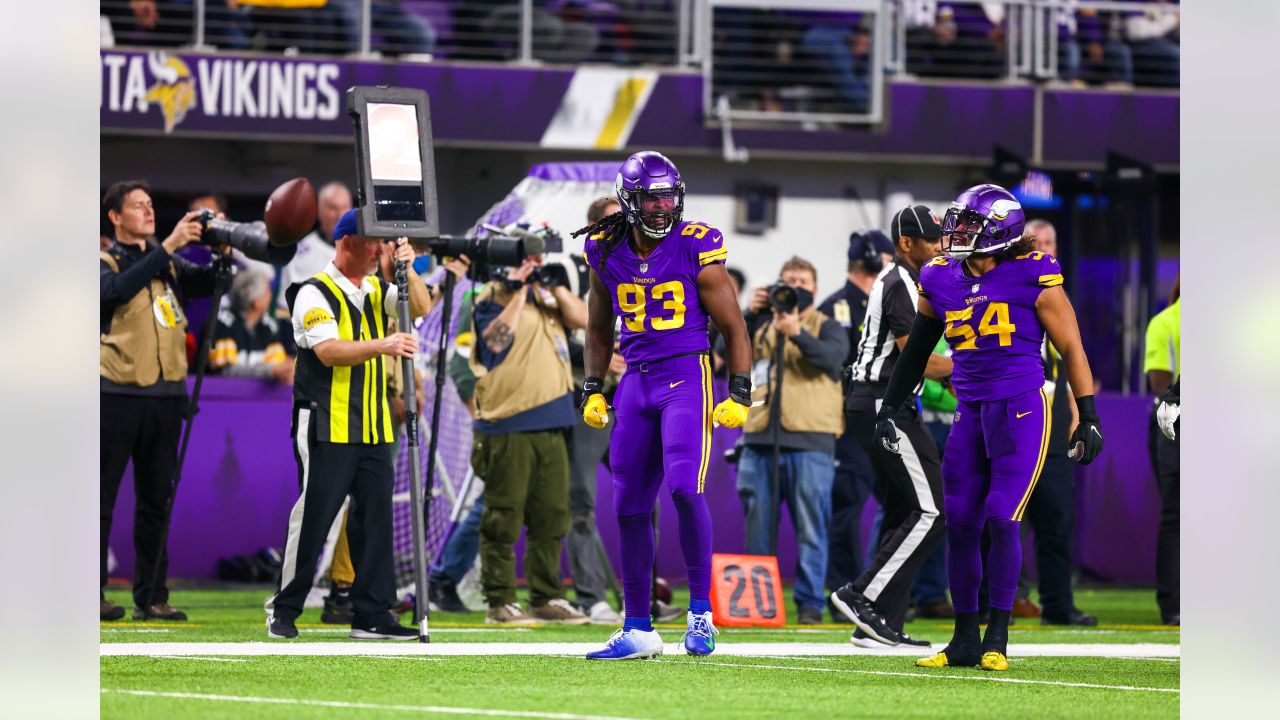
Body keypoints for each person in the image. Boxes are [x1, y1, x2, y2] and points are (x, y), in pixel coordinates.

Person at [873, 184, 1104, 671]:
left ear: (999, 231)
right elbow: (918, 348)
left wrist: (1088, 414)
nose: (954, 232)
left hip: (1021, 409)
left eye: (968, 224)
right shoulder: (939, 276)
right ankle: (962, 639)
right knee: (960, 524)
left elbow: (1072, 347)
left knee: (1002, 517)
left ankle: (997, 635)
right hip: (970, 411)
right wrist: (890, 405)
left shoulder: (1033, 271)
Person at [577, 150, 752, 659]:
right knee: (628, 504)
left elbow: (734, 327)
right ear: (629, 199)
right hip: (635, 381)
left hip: (686, 376)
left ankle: (700, 616)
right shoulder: (604, 250)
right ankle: (637, 627)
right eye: (651, 197)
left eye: (667, 196)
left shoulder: (696, 245)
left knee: (683, 489)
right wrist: (592, 387)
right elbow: (597, 325)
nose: (660, 207)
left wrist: (739, 391)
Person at [265, 210, 433, 640]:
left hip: (375, 424)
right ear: (346, 243)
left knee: (375, 519)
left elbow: (421, 305)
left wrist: (407, 267)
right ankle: (283, 607)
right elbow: (329, 351)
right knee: (316, 516)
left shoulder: (378, 287)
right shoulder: (311, 292)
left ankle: (373, 613)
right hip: (326, 421)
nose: (381, 249)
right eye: (373, 241)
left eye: (383, 242)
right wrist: (386, 344)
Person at [831, 205, 952, 650]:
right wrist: (970, 365)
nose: (941, 246)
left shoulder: (906, 280)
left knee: (906, 508)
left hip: (877, 401)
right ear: (906, 243)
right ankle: (862, 595)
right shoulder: (902, 281)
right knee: (935, 508)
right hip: (883, 401)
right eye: (932, 240)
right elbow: (914, 353)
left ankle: (878, 622)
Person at [100, 180, 214, 622]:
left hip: (166, 394)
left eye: (151, 204)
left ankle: (152, 596)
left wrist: (224, 257)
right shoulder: (103, 260)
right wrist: (166, 247)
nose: (149, 211)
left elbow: (203, 284)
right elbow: (114, 292)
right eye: (138, 206)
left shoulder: (167, 265)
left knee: (156, 501)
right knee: (101, 495)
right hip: (117, 390)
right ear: (115, 217)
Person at [469, 230, 590, 626]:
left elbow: (585, 320)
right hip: (508, 424)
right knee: (503, 516)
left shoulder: (549, 298)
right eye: (528, 261)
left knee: (552, 516)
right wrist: (519, 291)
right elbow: (494, 344)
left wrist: (550, 284)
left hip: (554, 420)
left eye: (538, 261)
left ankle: (546, 595)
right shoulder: (490, 298)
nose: (534, 268)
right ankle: (500, 600)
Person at [738, 257, 848, 625]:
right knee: (757, 527)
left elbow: (834, 359)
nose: (793, 287)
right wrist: (749, 316)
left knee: (811, 529)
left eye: (801, 282)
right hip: (759, 438)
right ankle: (756, 605)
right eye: (786, 281)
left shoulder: (827, 325)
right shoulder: (760, 325)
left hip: (811, 440)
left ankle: (809, 606)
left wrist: (797, 332)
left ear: (814, 290)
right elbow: (723, 354)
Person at [818, 230, 892, 620]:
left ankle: (877, 591)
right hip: (851, 422)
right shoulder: (837, 307)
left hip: (885, 418)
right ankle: (842, 592)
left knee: (898, 507)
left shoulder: (880, 301)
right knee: (846, 507)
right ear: (873, 257)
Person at [566, 198, 628, 625]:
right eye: (607, 222)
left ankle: (642, 593)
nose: (617, 228)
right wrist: (601, 358)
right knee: (581, 499)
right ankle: (590, 595)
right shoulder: (571, 268)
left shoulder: (645, 262)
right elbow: (568, 332)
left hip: (632, 397)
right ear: (589, 226)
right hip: (586, 397)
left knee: (644, 499)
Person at [1143, 278, 1179, 625]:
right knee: (1177, 515)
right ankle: (1173, 605)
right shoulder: (1165, 321)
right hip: (1176, 422)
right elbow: (1160, 383)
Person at [275, 181, 353, 314]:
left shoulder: (367, 249)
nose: (340, 215)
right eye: (333, 208)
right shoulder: (301, 253)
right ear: (319, 211)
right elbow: (284, 310)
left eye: (344, 207)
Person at [209, 269, 296, 384]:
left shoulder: (268, 326)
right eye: (268, 291)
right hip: (218, 399)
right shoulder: (222, 324)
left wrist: (287, 369)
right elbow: (225, 372)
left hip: (258, 401)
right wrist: (270, 372)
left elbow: (278, 363)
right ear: (256, 303)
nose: (271, 295)